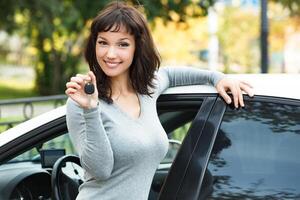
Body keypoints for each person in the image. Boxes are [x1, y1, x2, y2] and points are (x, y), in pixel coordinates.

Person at [65, 1, 253, 200]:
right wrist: (91, 109)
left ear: (137, 47)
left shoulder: (148, 88)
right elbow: (100, 170)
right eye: (103, 42)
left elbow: (171, 75)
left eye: (122, 44)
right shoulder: (81, 103)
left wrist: (217, 78)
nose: (110, 54)